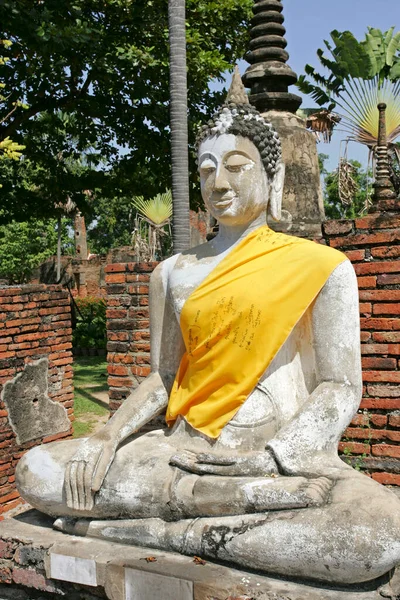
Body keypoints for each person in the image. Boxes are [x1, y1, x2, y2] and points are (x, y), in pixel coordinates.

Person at [16, 71, 400, 585]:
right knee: (37, 470)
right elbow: (165, 376)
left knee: (376, 535)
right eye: (207, 170)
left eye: (237, 167)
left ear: (274, 177)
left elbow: (339, 386)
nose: (219, 183)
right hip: (181, 450)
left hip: (280, 459)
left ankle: (156, 532)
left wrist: (272, 458)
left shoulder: (322, 266)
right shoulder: (171, 272)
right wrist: (107, 435)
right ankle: (215, 510)